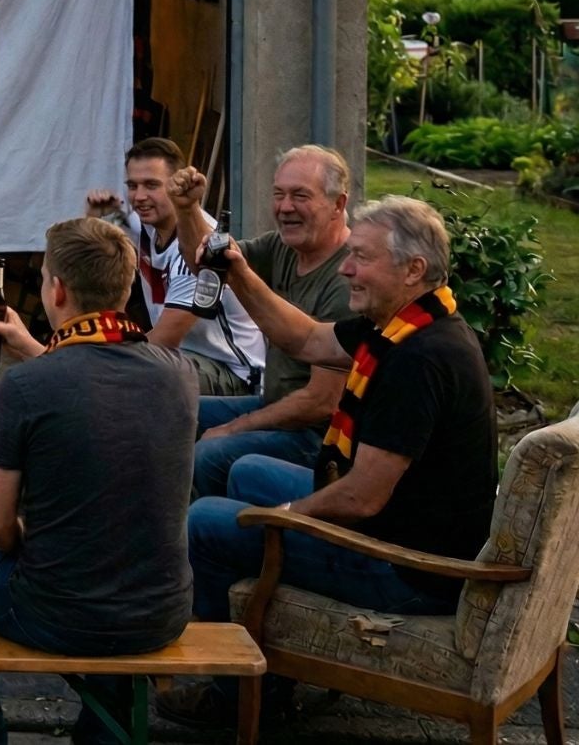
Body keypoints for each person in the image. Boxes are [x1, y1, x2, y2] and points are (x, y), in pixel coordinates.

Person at [167, 195, 497, 727]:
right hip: (399, 525)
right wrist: (238, 274)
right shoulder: (406, 326)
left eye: (362, 257)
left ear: (413, 269)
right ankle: (266, 655)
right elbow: (306, 338)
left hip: (408, 567)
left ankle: (238, 698)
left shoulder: (420, 360)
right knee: (247, 469)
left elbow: (362, 497)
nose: (346, 267)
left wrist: (284, 518)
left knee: (204, 523)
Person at [0, 218, 196, 745]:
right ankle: (101, 736)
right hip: (162, 612)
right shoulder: (180, 373)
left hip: (58, 614)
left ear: (57, 289)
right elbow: (97, 388)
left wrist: (21, 549)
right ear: (126, 288)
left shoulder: (25, 387)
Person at [169, 147, 354, 497]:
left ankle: (213, 536)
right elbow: (208, 266)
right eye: (278, 194)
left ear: (338, 205)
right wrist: (188, 209)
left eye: (300, 196)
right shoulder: (284, 247)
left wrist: (234, 428)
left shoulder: (347, 280)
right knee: (169, 407)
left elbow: (321, 402)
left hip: (321, 437)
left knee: (211, 453)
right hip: (275, 404)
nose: (285, 207)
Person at [85, 138, 264, 396]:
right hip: (183, 357)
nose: (139, 197)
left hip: (234, 374)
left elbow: (165, 338)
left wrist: (102, 362)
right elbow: (82, 263)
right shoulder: (144, 225)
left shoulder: (201, 248)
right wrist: (93, 214)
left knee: (126, 377)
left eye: (152, 185)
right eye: (132, 186)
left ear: (176, 186)